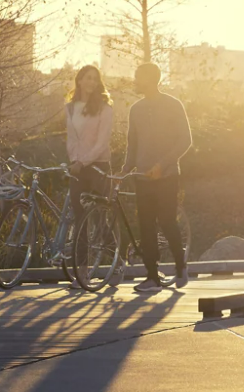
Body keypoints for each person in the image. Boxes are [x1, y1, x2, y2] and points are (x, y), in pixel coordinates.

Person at [122, 62, 193, 292]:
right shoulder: (135, 109)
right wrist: (124, 170)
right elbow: (132, 144)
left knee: (167, 221)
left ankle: (180, 264)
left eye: (138, 77)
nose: (135, 81)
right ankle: (152, 277)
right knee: (146, 227)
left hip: (167, 176)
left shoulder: (173, 105)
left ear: (152, 79)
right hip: (142, 178)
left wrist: (162, 165)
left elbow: (185, 140)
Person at [66, 65, 114, 289]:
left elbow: (101, 143)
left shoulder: (105, 108)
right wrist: (74, 161)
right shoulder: (70, 107)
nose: (91, 82)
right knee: (80, 220)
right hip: (77, 169)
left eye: (95, 79)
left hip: (98, 167)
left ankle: (117, 263)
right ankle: (82, 273)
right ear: (79, 80)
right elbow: (71, 140)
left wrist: (83, 161)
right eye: (88, 78)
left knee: (98, 219)